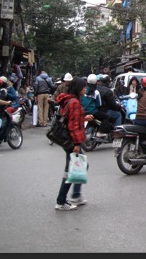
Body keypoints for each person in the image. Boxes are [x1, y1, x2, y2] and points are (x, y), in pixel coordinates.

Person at [54, 76, 94, 211]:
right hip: (72, 141)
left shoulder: (69, 100)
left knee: (76, 167)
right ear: (78, 88)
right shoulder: (75, 102)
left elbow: (72, 118)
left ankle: (73, 195)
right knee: (72, 169)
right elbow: (73, 125)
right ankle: (62, 201)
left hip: (68, 140)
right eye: (84, 87)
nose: (85, 89)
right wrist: (77, 144)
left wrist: (84, 117)